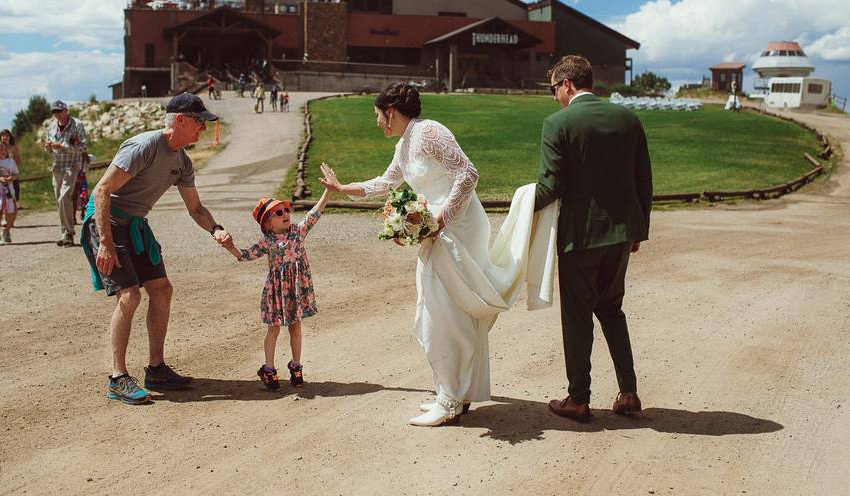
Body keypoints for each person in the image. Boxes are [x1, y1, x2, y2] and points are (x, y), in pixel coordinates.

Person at [319, 83, 558, 427]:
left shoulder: (430, 131)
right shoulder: (404, 144)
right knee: (437, 307)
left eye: (377, 116)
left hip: (458, 227)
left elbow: (468, 174)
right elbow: (385, 183)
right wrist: (342, 188)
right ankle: (453, 391)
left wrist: (440, 217)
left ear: (391, 111)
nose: (377, 123)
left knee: (446, 311)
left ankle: (450, 399)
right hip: (435, 228)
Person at [81, 93, 230, 405]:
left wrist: (216, 229)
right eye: (199, 122)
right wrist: (106, 243)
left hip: (135, 224)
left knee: (161, 290)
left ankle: (156, 369)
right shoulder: (144, 146)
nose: (201, 129)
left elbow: (196, 208)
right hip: (107, 220)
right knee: (130, 295)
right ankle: (117, 378)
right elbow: (102, 190)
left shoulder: (182, 161)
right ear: (180, 120)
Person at [535, 55, 652, 422]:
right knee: (611, 308)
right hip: (621, 233)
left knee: (577, 315)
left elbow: (551, 186)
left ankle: (578, 399)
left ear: (567, 84)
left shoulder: (558, 123)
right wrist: (638, 231)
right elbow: (643, 179)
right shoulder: (627, 118)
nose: (553, 96)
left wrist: (520, 206)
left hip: (580, 236)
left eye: (554, 88)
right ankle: (628, 391)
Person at [219, 186, 332, 390]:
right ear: (268, 224)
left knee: (296, 327)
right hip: (277, 292)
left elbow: (315, 213)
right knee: (274, 329)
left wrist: (329, 191)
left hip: (296, 290)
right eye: (278, 213)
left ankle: (296, 366)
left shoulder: (298, 232)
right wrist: (230, 248)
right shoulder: (268, 241)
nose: (285, 214)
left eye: (286, 210)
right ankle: (269, 369)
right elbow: (245, 255)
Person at [45, 100, 87, 247]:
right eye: (54, 112)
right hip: (56, 166)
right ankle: (65, 233)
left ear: (66, 111)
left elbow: (83, 146)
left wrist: (63, 147)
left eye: (59, 111)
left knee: (64, 197)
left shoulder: (77, 125)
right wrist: (49, 147)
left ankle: (69, 232)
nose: (57, 114)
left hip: (71, 165)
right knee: (60, 200)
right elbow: (48, 146)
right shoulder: (51, 127)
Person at [0, 129, 22, 207]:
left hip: (12, 170)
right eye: (3, 135)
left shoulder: (13, 147)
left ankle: (16, 202)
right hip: (1, 171)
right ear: (0, 137)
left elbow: (18, 161)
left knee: (15, 187)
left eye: (7, 135)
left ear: (10, 137)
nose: (5, 137)